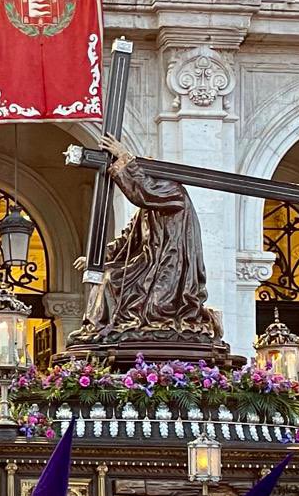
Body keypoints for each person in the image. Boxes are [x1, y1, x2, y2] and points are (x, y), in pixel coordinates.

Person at [69, 133, 220, 346]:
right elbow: (125, 240)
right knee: (108, 276)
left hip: (171, 267)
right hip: (148, 265)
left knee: (144, 298)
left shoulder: (173, 192)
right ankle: (96, 328)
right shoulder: (146, 211)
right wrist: (96, 259)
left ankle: (113, 328)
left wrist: (124, 157)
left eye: (143, 168)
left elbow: (143, 192)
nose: (141, 172)